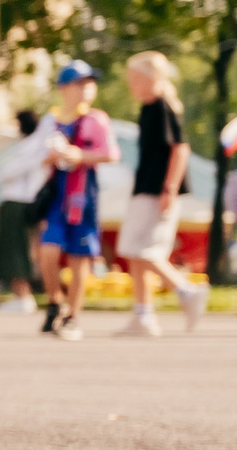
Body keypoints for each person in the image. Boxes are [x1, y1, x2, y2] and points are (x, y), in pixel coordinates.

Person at [116, 51, 208, 337]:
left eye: (135, 79)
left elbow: (180, 149)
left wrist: (169, 188)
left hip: (157, 190)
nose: (132, 86)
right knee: (136, 250)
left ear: (152, 78)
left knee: (141, 249)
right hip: (146, 187)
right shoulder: (148, 109)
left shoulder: (161, 107)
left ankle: (187, 291)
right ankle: (143, 314)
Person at [34, 61, 119, 340]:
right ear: (64, 89)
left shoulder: (96, 119)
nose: (86, 89)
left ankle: (73, 314)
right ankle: (54, 299)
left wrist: (80, 156)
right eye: (79, 83)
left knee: (78, 257)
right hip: (57, 194)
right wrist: (53, 157)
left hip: (83, 196)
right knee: (47, 251)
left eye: (89, 84)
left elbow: (110, 153)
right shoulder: (52, 121)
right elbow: (36, 156)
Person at [0, 110, 48, 315]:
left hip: (19, 202)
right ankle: (19, 294)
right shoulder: (31, 146)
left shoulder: (32, 147)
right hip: (18, 202)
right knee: (14, 249)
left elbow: (7, 172)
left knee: (17, 250)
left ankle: (23, 295)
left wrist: (2, 173)